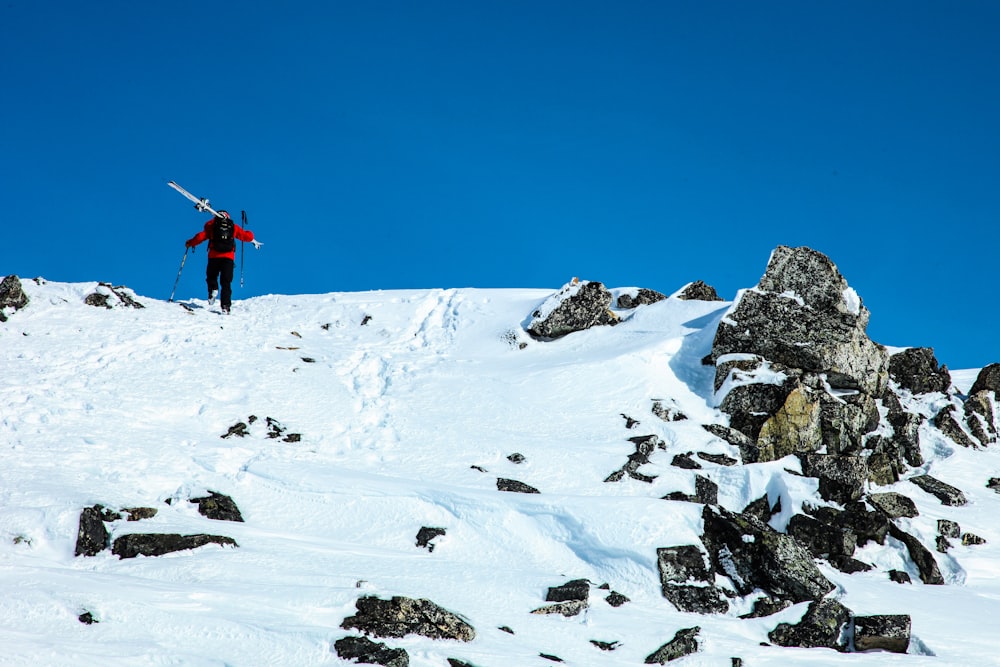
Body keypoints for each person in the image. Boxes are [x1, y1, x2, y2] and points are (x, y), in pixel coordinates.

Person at [185, 210, 257, 313]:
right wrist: (249, 232)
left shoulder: (212, 226)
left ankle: (213, 290)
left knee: (211, 276)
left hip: (214, 256)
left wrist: (190, 243)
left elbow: (200, 237)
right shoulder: (233, 227)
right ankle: (225, 306)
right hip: (228, 258)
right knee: (226, 283)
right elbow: (249, 237)